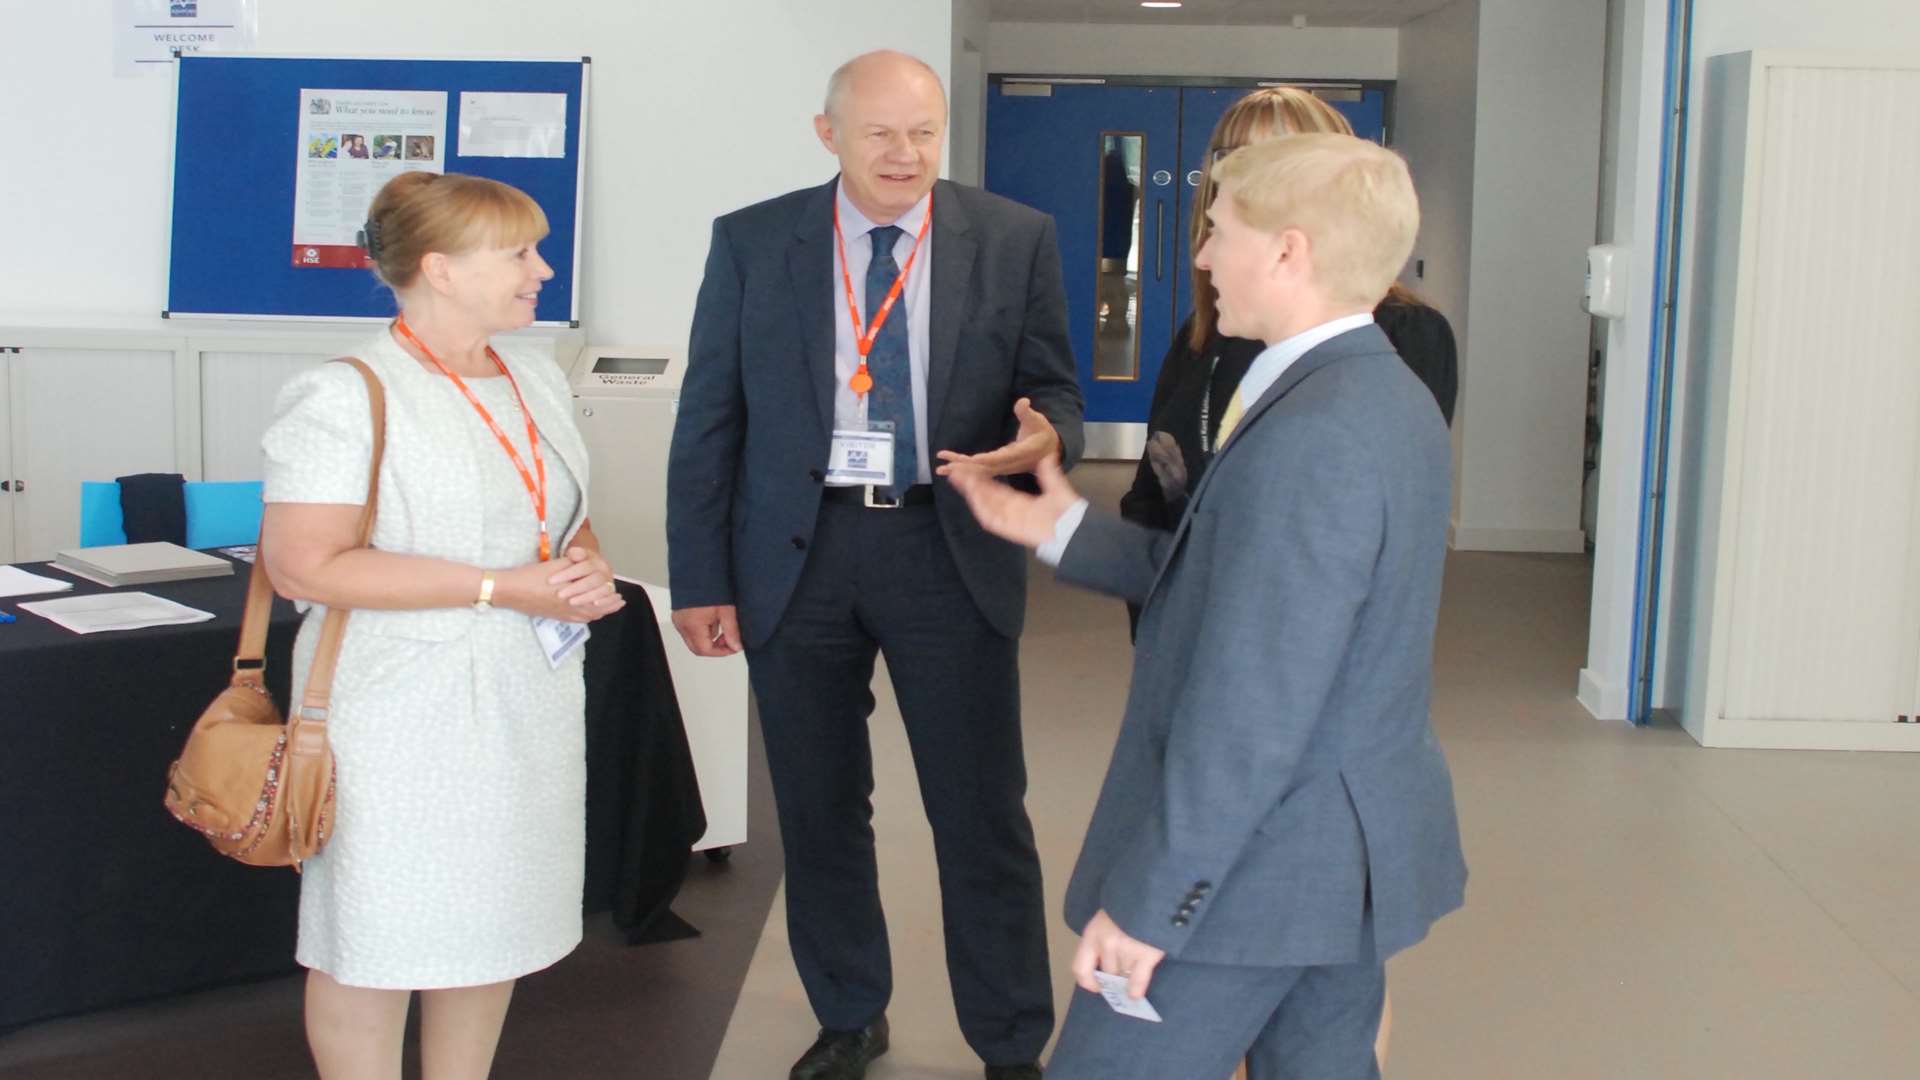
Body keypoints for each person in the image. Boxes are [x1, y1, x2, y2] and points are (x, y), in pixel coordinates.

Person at [946, 133, 1468, 1079]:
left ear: (1287, 251)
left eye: (1217, 231)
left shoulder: (1316, 435)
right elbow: (1257, 589)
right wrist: (1064, 528)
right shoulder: (1382, 396)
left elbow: (1256, 706)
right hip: (1338, 861)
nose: (1199, 258)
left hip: (1253, 879)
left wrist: (1152, 905)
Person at [666, 49, 1083, 1080]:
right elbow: (709, 419)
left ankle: (1011, 1043)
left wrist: (1045, 438)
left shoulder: (1013, 238)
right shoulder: (756, 242)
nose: (906, 155)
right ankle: (851, 1015)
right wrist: (703, 577)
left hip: (948, 548)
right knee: (816, 807)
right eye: (881, 134)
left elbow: (1056, 392)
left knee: (981, 812)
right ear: (829, 135)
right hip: (795, 556)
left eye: (924, 133)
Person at [259, 171, 624, 1080]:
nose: (543, 269)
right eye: (519, 253)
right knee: (378, 934)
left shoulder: (532, 375)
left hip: (523, 697)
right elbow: (304, 564)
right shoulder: (346, 393)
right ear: (440, 270)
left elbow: (559, 511)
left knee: (488, 924)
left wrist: (586, 561)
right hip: (399, 710)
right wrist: (503, 588)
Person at [1120, 87, 1457, 540]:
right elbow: (1150, 502)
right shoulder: (1206, 333)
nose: (1250, 178)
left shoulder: (1406, 335)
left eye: (1278, 157)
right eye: (1236, 158)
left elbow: (1365, 529)